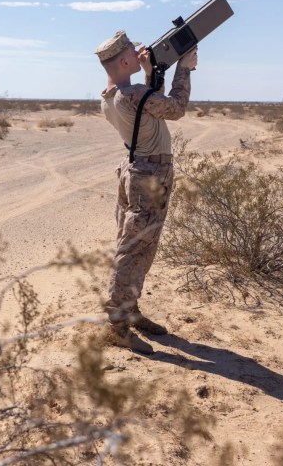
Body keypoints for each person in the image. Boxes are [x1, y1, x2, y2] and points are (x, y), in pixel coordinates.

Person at [95, 30, 197, 354]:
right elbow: (176, 108)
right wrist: (185, 68)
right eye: (132, 53)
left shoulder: (111, 96)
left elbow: (153, 109)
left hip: (135, 171)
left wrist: (153, 74)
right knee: (133, 250)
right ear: (124, 60)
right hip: (150, 175)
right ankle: (117, 322)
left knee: (138, 247)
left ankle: (131, 309)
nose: (139, 53)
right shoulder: (134, 94)